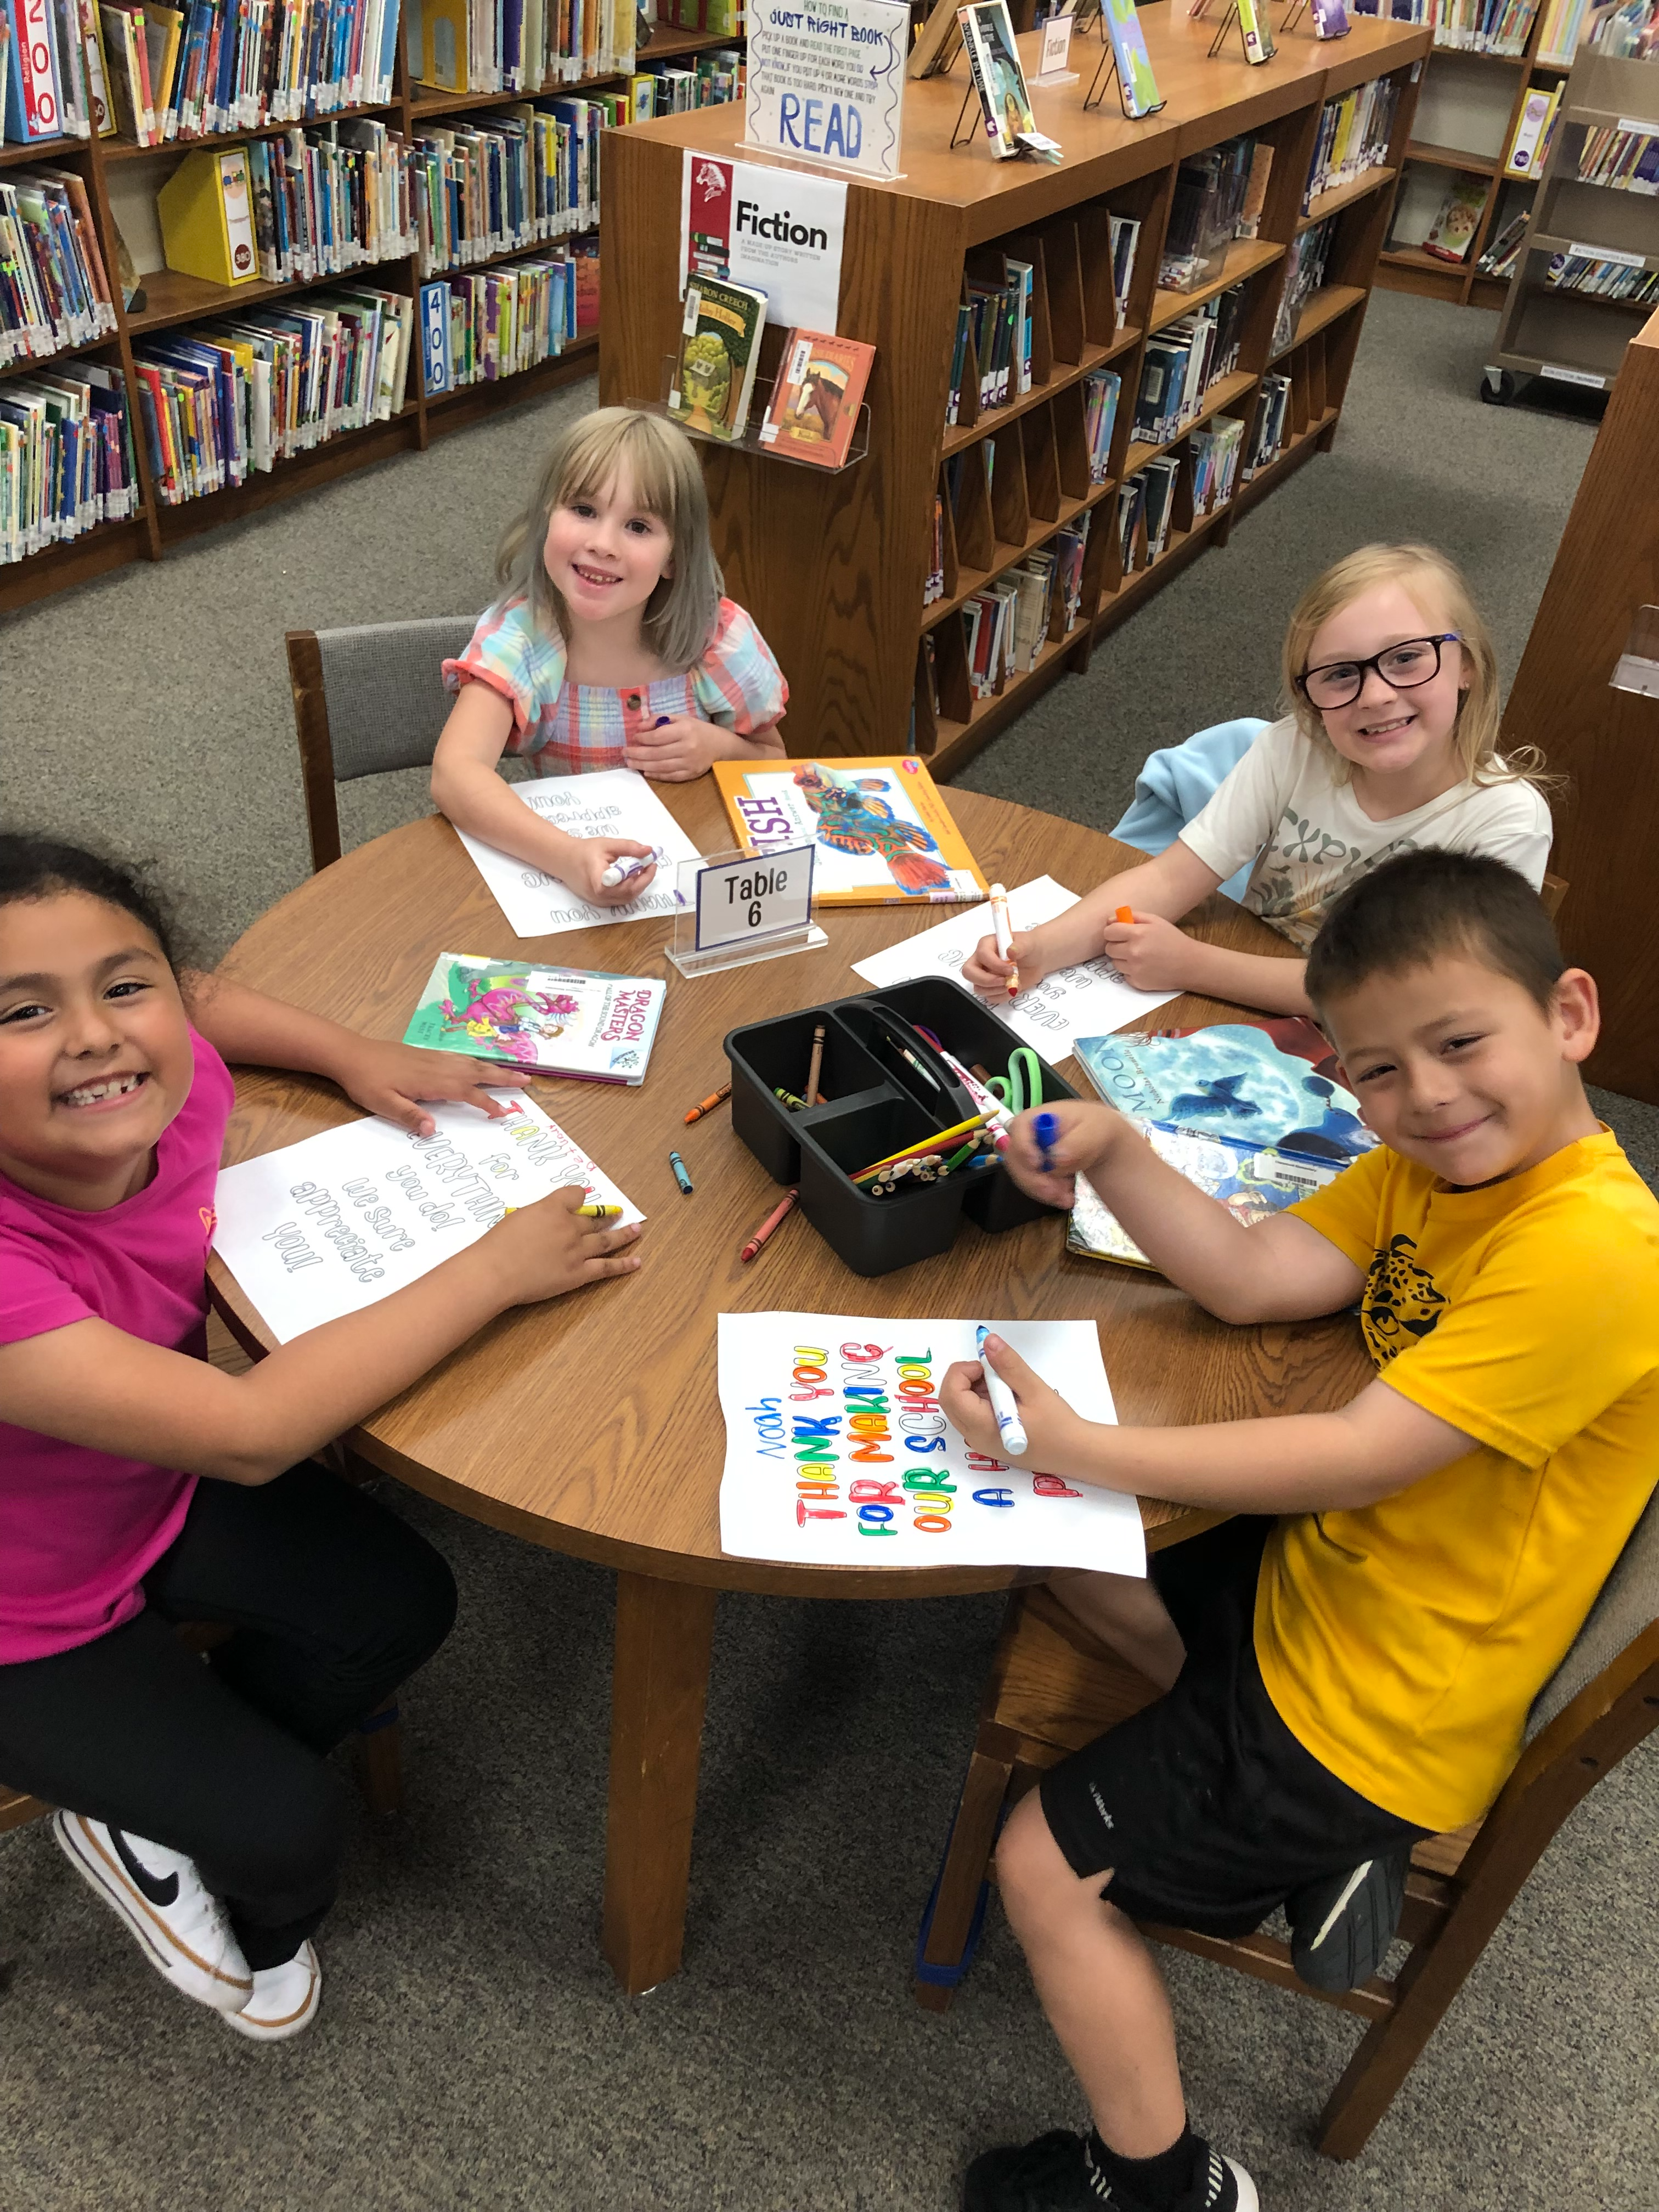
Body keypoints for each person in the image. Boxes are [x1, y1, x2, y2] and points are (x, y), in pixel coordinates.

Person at [941, 850, 1659, 2212]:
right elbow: (1259, 1278)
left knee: (1041, 1862)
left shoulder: (1595, 1253)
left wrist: (1067, 1441)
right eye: (1376, 1069)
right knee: (1072, 1543)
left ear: (1569, 1015)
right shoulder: (1431, 1171)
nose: (1424, 1097)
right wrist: (1112, 1147)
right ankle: (1299, 1826)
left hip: (1382, 1703)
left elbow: (1350, 1455)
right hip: (1337, 1592)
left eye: (1460, 1044)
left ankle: (1165, 2184)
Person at [0, 837, 644, 2041]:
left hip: (135, 1486)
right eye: (22, 1014)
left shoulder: (159, 1077)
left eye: (121, 986)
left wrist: (358, 1054)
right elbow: (249, 1434)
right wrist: (497, 1269)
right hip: (18, 1612)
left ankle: (154, 1783)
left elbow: (207, 1008)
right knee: (296, 1831)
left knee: (401, 1598)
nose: (96, 1037)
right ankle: (161, 1824)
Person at [961, 543, 1554, 1017]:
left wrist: (1194, 964)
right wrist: (1042, 950)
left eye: (1406, 659)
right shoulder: (1293, 748)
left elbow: (1409, 997)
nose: (1376, 695)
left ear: (1467, 664)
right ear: (1308, 696)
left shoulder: (1505, 818)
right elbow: (1170, 879)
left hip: (1376, 1048)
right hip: (1246, 1002)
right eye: (1340, 674)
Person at [431, 405, 788, 909]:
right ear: (544, 518)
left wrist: (722, 749)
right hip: (562, 885)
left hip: (697, 890)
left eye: (639, 526)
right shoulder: (523, 639)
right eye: (583, 510)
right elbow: (454, 774)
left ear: (675, 559)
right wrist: (569, 858)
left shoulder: (718, 640)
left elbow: (777, 762)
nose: (602, 544)